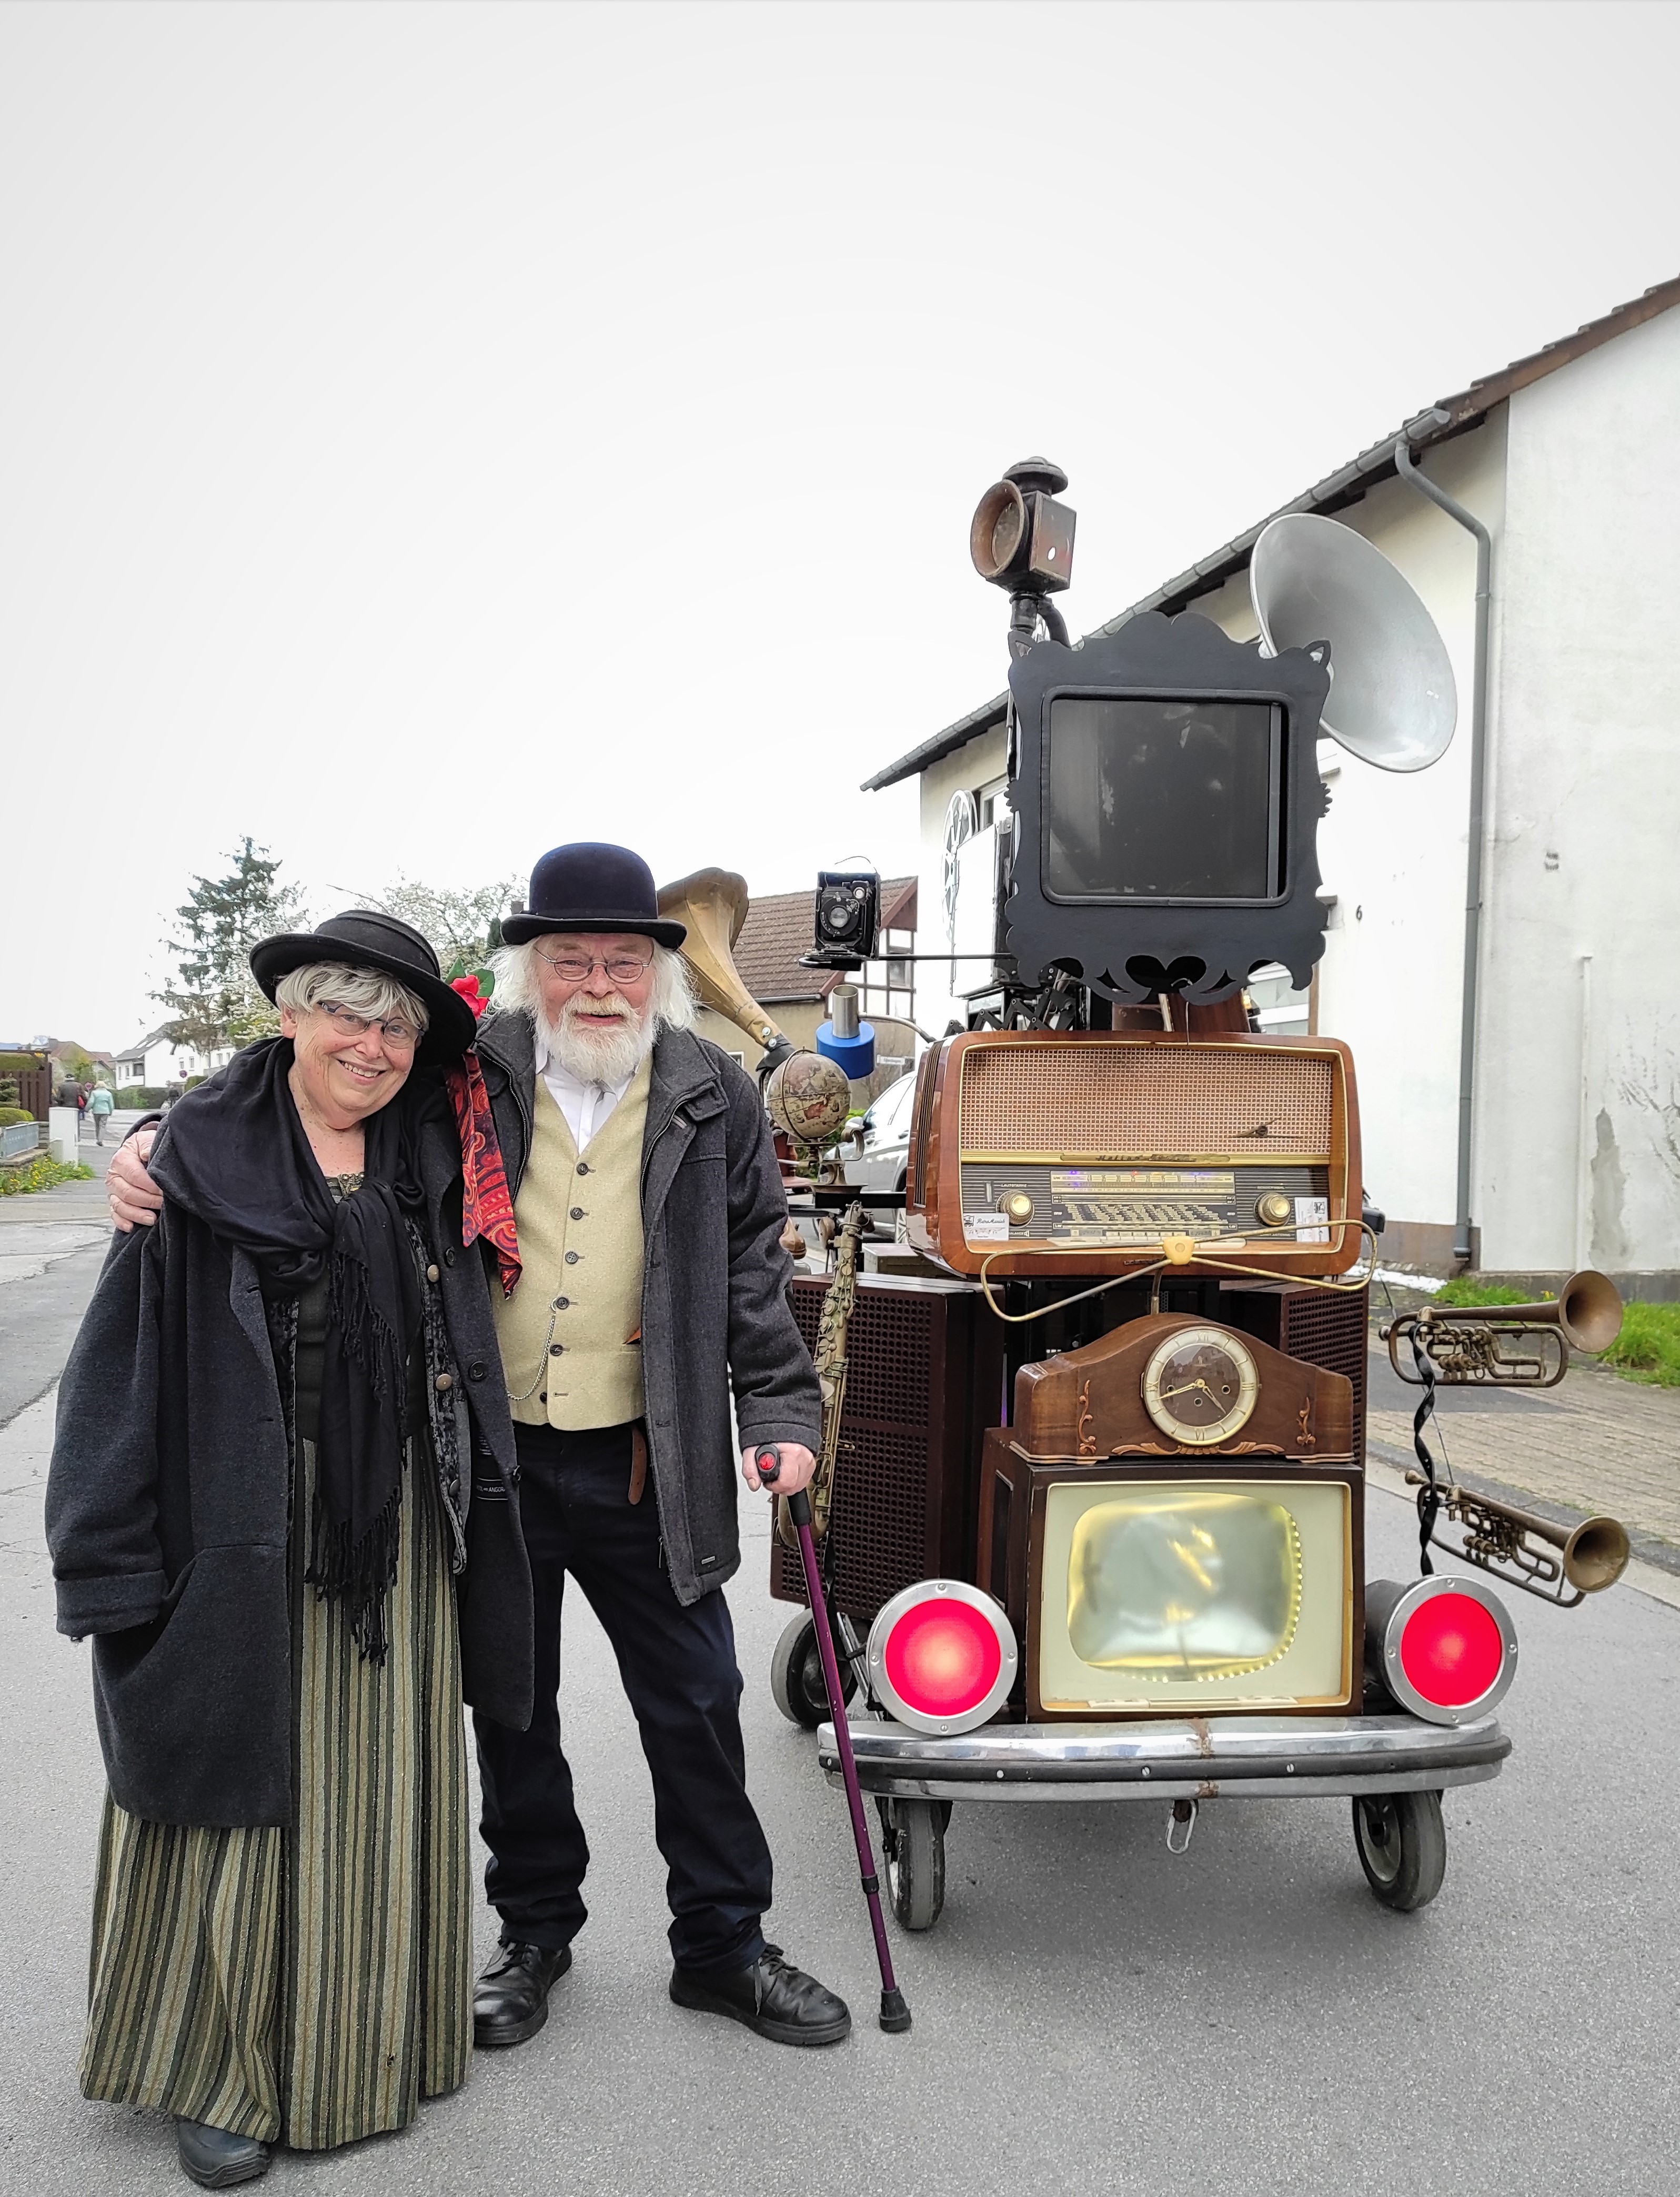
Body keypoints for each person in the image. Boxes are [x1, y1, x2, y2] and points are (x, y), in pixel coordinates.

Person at [110, 844, 849, 2052]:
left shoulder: (714, 1091)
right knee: (513, 1709)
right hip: (490, 1459)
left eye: (623, 961)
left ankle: (724, 1944)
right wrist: (159, 1132)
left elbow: (754, 1280)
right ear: (529, 969)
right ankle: (535, 1931)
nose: (597, 985)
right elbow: (308, 1086)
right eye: (571, 960)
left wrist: (778, 1419)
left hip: (649, 1463)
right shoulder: (464, 1067)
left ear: (657, 974)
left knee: (699, 1705)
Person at [55, 912, 532, 2189]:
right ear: (289, 1017)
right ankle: (215, 2069)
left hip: (398, 1521)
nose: (370, 1046)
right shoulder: (195, 1158)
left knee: (377, 1786)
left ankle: (369, 2044)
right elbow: (115, 1373)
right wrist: (104, 1558)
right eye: (346, 1016)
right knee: (227, 1786)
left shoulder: (432, 1143)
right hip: (238, 1520)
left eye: (396, 1027)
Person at [87, 1080, 114, 1144]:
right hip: (106, 1112)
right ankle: (100, 1140)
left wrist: (87, 1109)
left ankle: (98, 1139)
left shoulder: (94, 1093)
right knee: (103, 1125)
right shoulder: (109, 1094)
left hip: (96, 1111)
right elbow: (111, 1105)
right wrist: (110, 1112)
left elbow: (91, 1102)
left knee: (97, 1125)